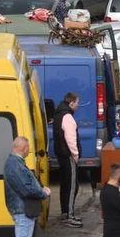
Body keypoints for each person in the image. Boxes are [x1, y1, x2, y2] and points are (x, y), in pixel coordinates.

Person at [4, 137, 50, 237]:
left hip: (21, 208)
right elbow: (26, 189)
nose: (29, 152)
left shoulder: (13, 163)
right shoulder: (14, 164)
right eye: (28, 149)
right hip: (22, 209)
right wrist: (43, 193)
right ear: (22, 149)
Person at [52, 93, 83, 228]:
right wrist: (75, 155)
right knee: (72, 186)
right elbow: (71, 139)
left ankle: (65, 212)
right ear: (71, 103)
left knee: (64, 184)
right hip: (68, 155)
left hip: (60, 154)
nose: (78, 105)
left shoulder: (58, 115)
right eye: (77, 102)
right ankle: (69, 216)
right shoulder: (68, 117)